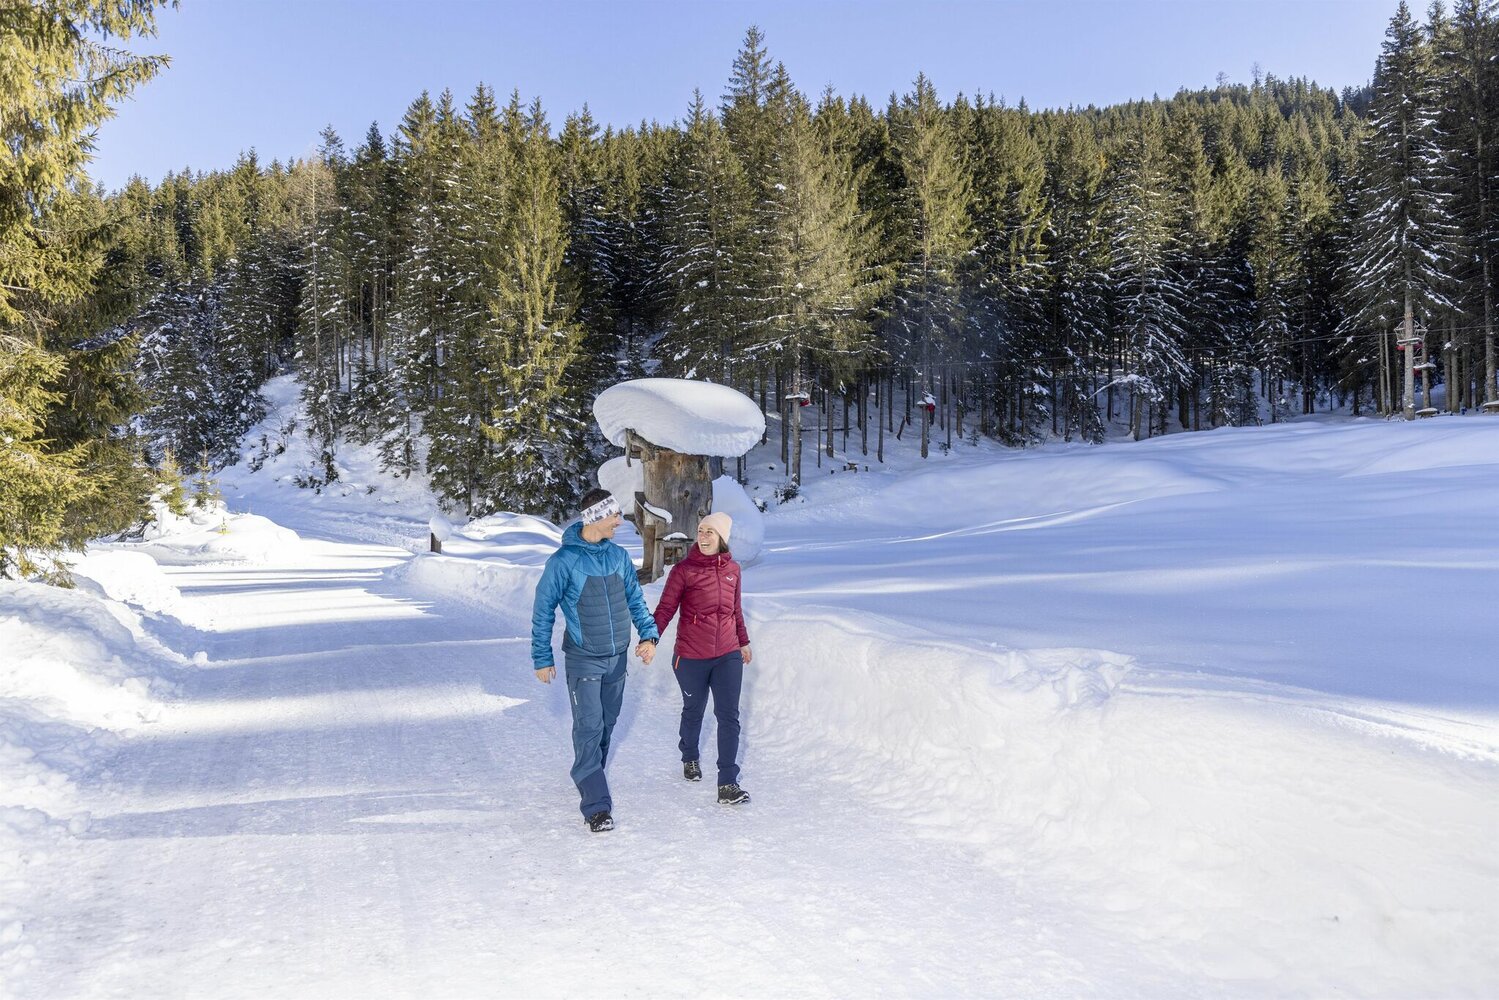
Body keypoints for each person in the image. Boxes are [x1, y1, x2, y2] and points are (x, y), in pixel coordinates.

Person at [532, 487, 659, 833]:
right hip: (584, 658)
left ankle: (590, 774)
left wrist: (648, 636)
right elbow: (543, 610)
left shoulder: (618, 556)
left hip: (617, 657)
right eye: (614, 515)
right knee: (589, 727)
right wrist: (542, 657)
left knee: (606, 723)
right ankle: (596, 805)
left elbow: (635, 599)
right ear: (595, 518)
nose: (619, 521)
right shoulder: (563, 562)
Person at [652, 511, 752, 806]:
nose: (704, 536)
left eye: (710, 531)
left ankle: (728, 783)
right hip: (691, 656)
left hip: (728, 654)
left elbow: (735, 610)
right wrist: (650, 638)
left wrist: (743, 641)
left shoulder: (733, 569)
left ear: (722, 537)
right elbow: (665, 609)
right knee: (694, 710)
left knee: (728, 716)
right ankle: (690, 755)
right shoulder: (683, 571)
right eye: (701, 530)